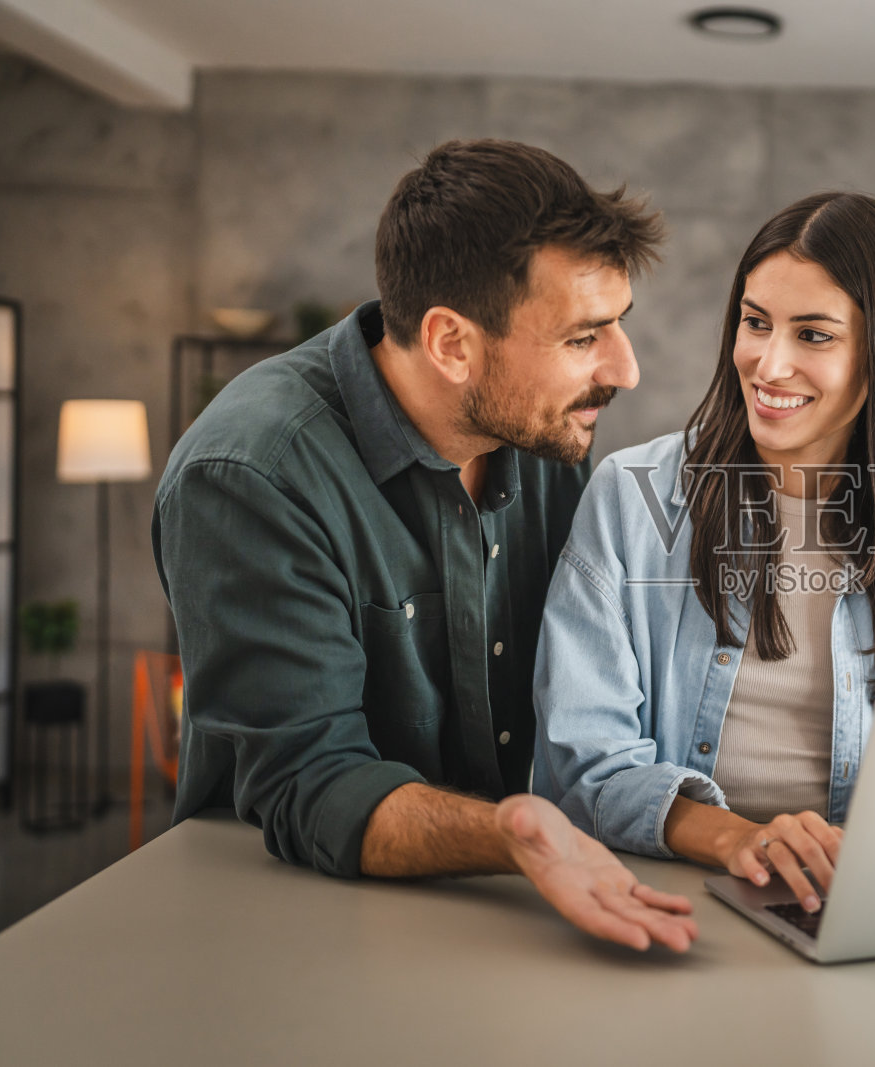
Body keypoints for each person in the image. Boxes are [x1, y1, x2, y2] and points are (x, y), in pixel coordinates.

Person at [153, 139, 696, 953]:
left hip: (520, 909)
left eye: (619, 325)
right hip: (287, 927)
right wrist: (516, 833)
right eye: (585, 337)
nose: (627, 367)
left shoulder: (548, 441)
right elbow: (313, 779)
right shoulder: (251, 472)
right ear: (451, 342)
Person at [534, 191, 875, 916]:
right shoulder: (631, 501)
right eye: (755, 323)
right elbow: (582, 764)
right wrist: (739, 838)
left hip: (857, 903)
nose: (769, 363)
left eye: (814, 335)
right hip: (666, 894)